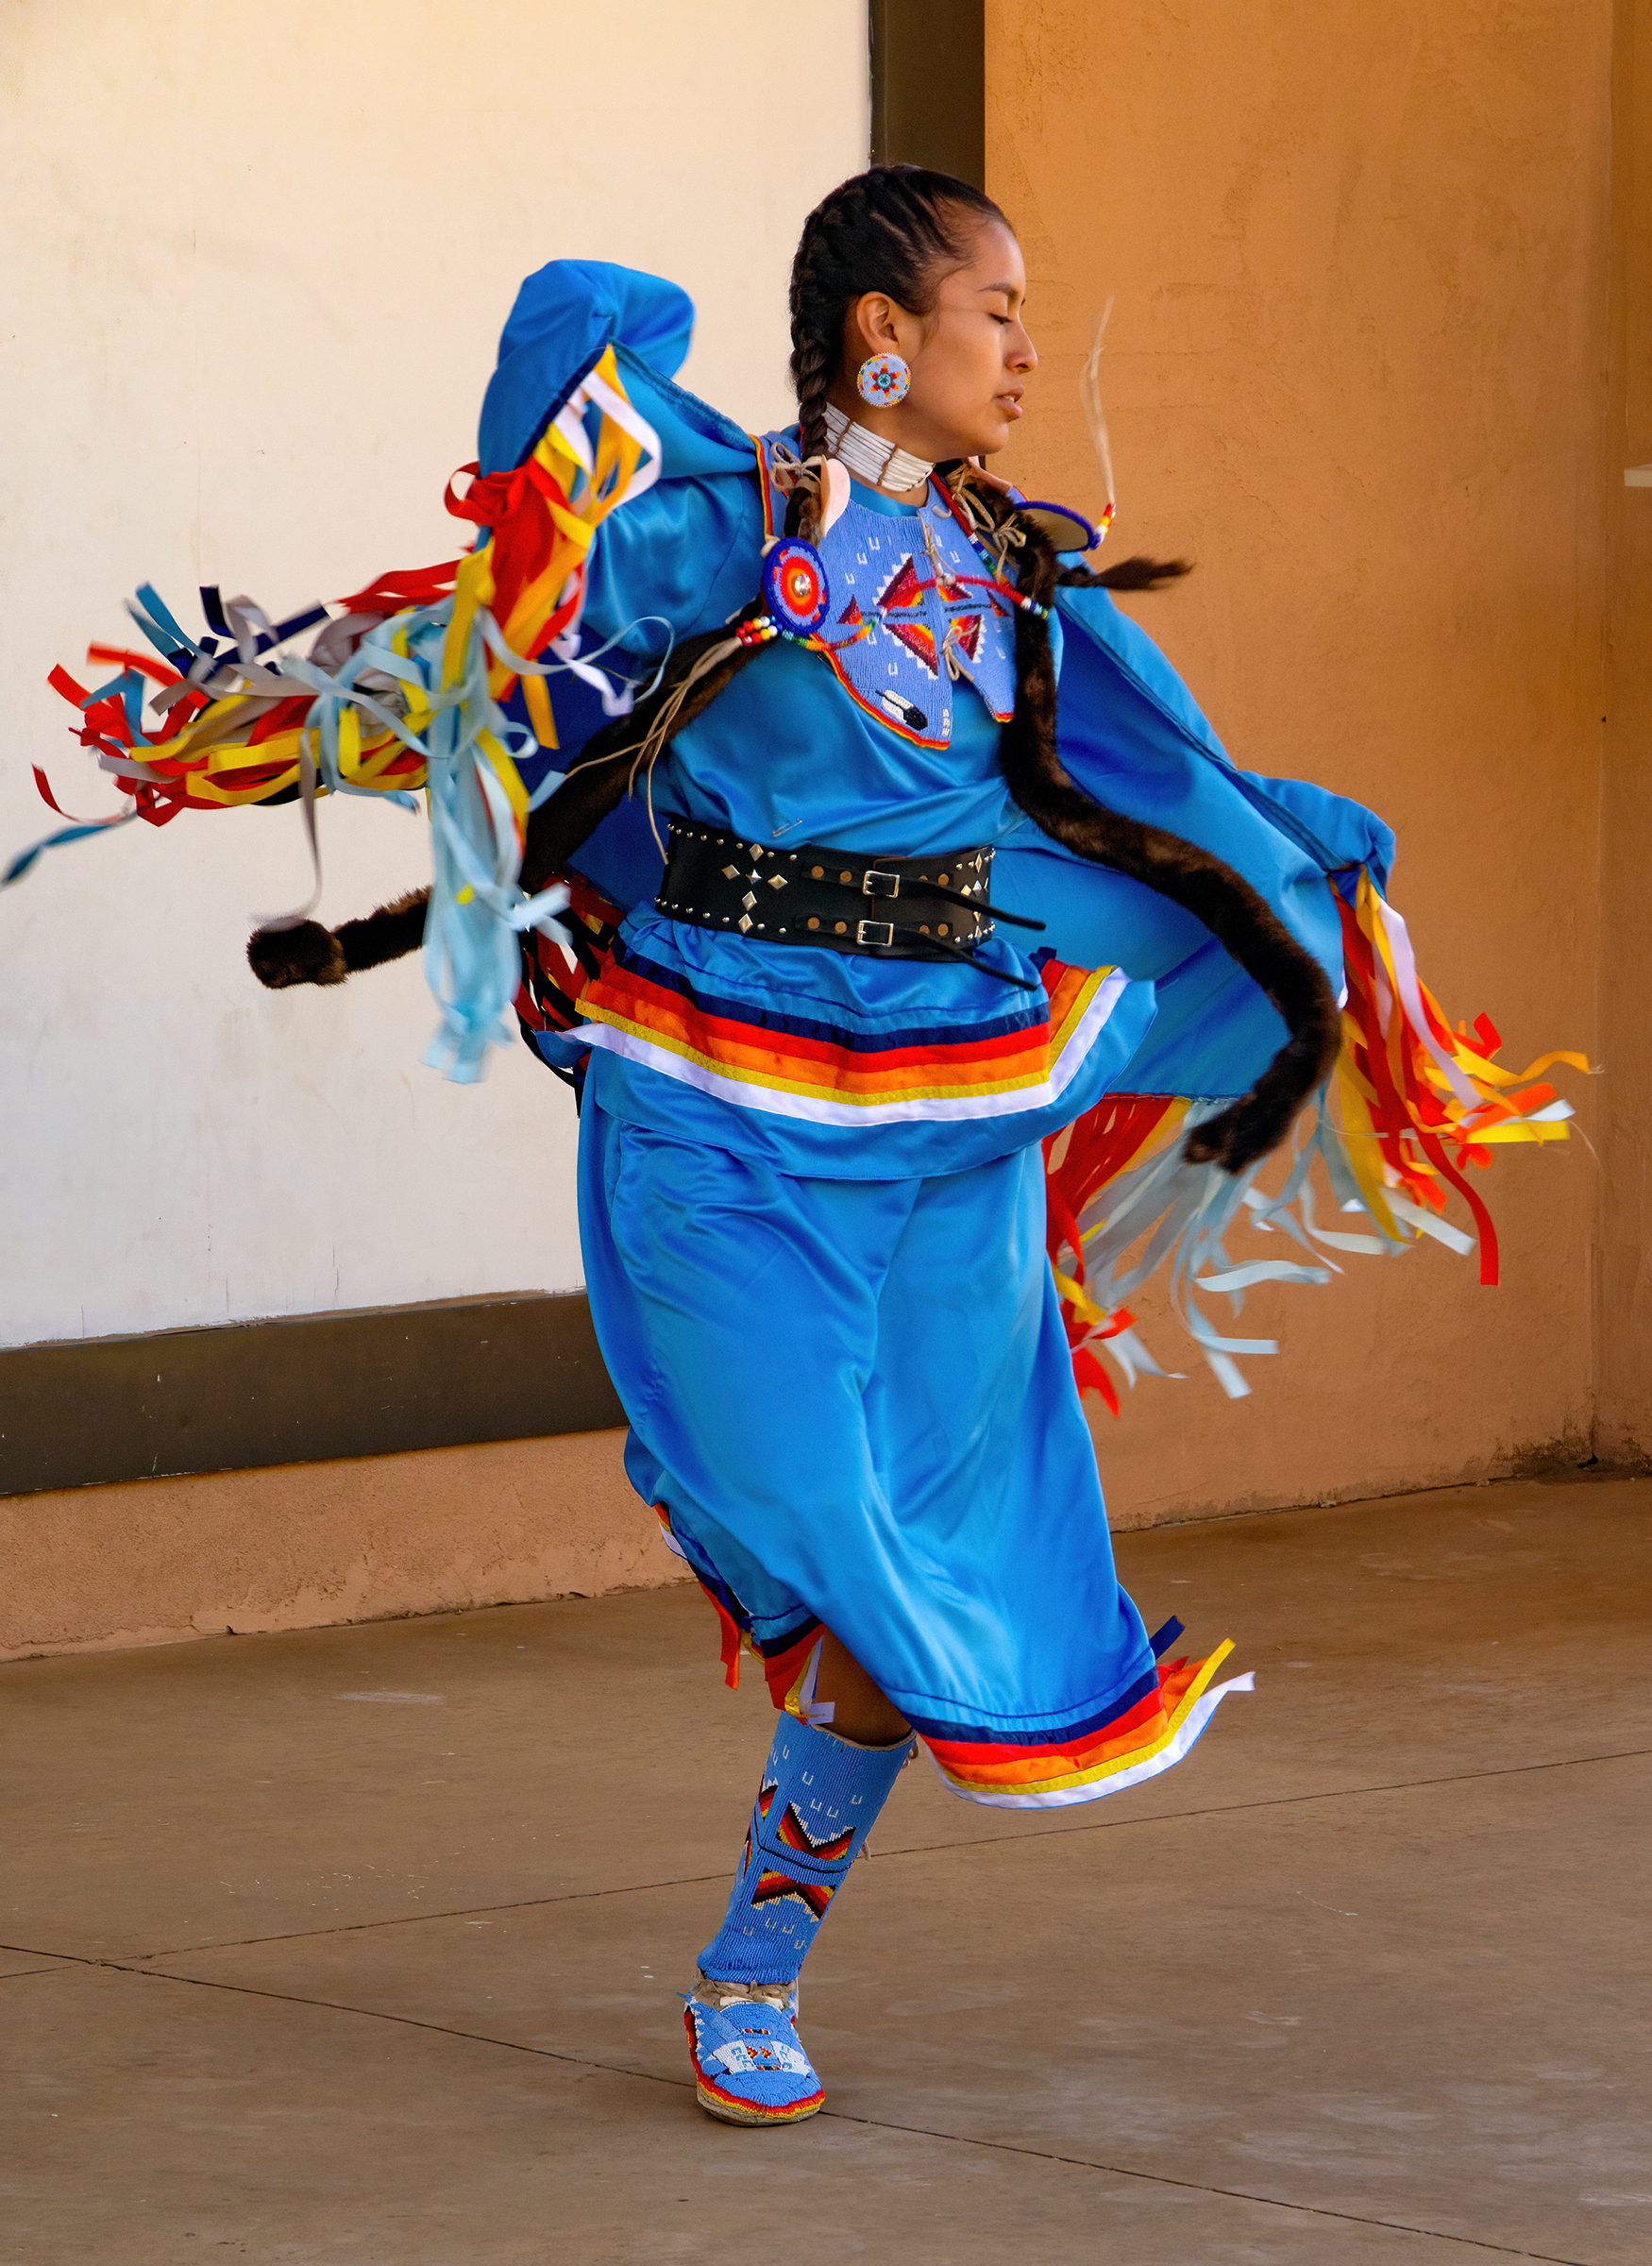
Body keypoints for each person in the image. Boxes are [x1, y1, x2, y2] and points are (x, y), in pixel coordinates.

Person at [15, 166, 1582, 2128]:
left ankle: (750, 1965)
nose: (1021, 345)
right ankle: (740, 1666)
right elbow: (526, 515)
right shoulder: (722, 526)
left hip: (949, 1119)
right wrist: (627, 468)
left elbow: (1135, 789)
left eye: (1022, 309)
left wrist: (1300, 872)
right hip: (716, 1106)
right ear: (878, 335)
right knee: (791, 1498)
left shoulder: (1018, 569)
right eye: (989, 307)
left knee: (911, 1575)